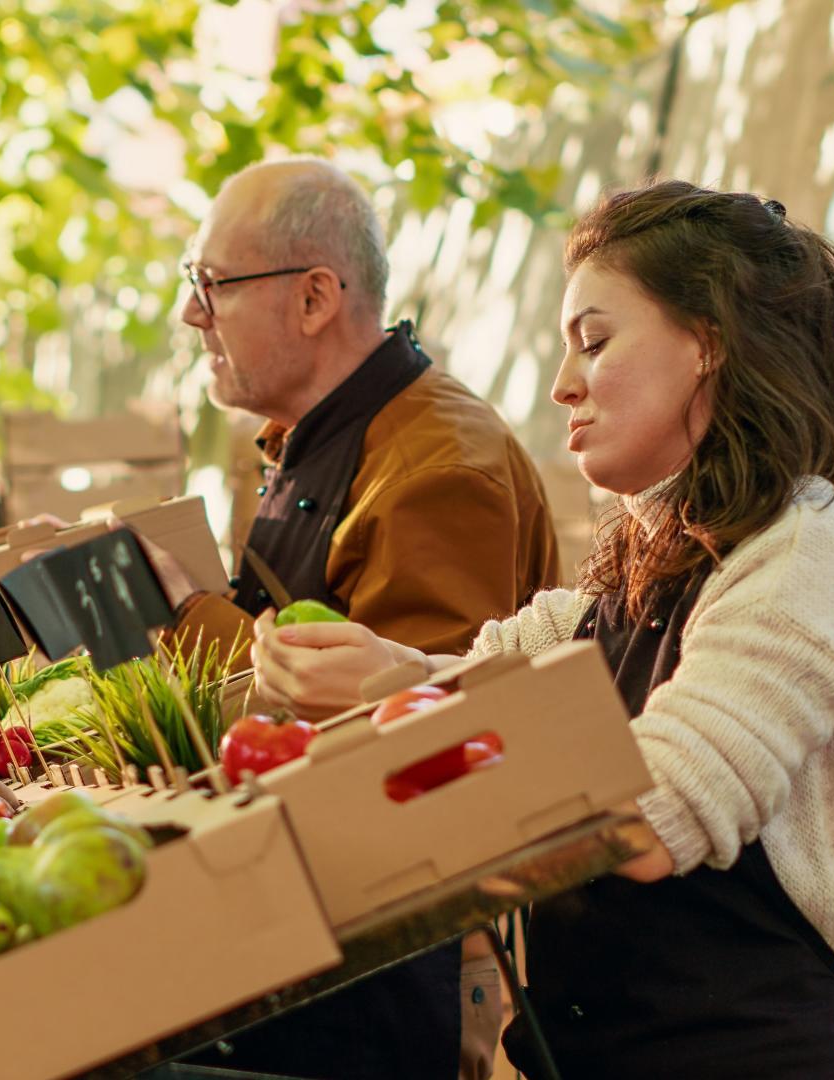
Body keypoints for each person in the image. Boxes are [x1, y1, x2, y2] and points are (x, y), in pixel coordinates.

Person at [250, 180, 834, 1077]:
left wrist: (402, 714)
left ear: (708, 345)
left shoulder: (808, 556)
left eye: (596, 343)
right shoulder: (654, 560)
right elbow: (495, 669)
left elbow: (651, 814)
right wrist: (384, 676)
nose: (563, 385)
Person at [142, 158, 558, 1078]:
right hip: (297, 932)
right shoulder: (320, 437)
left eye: (211, 284)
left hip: (382, 978)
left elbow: (420, 763)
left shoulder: (440, 466)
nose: (190, 315)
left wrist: (177, 610)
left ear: (316, 296)